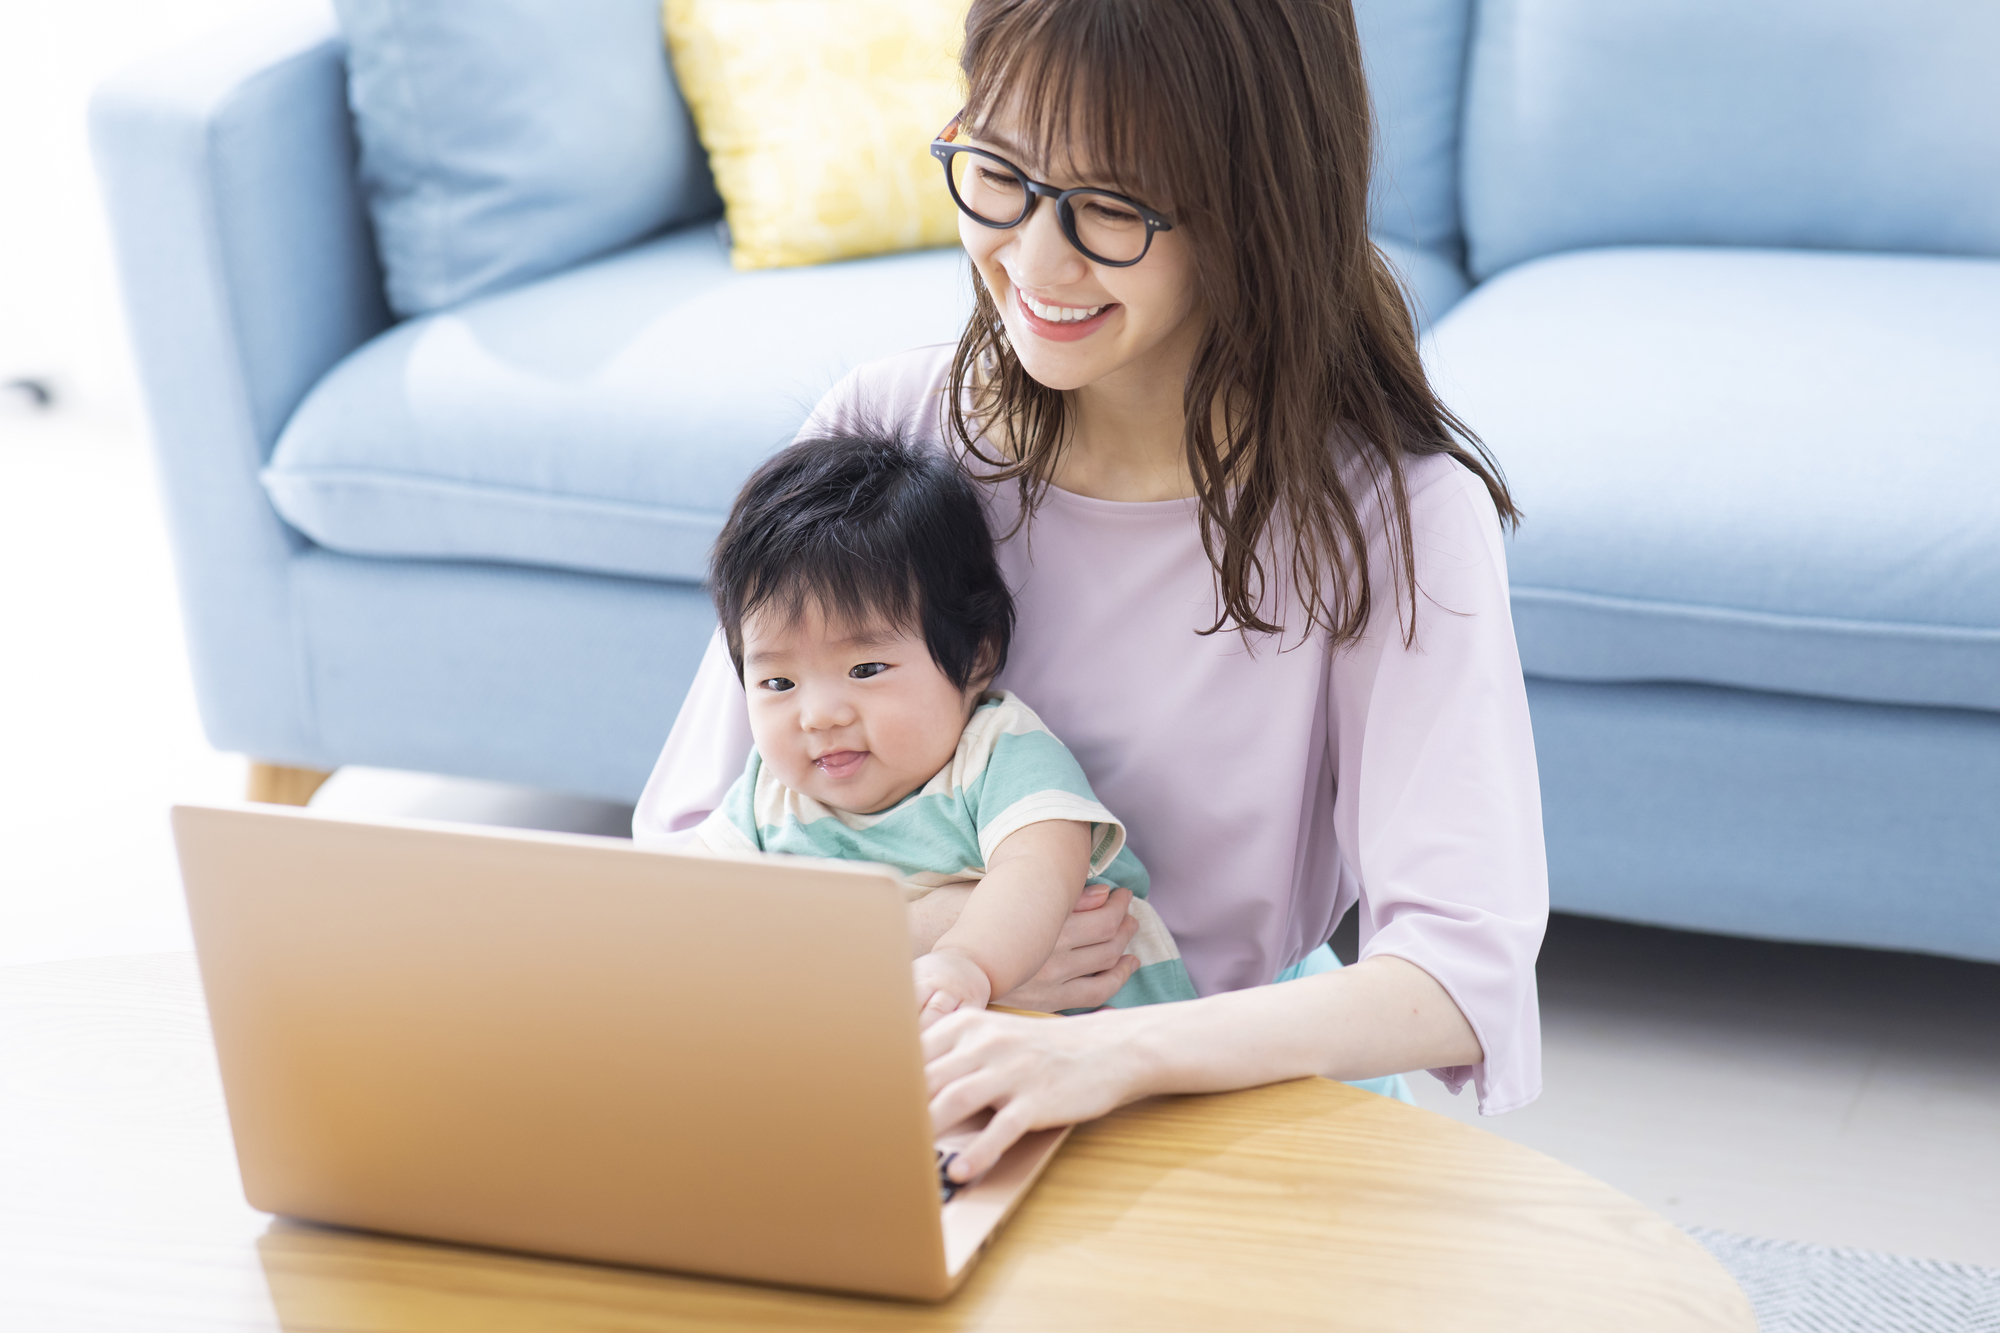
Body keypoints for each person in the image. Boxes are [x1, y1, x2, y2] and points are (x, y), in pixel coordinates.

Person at [637, 0, 1548, 1186]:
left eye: (1113, 206)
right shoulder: (887, 435)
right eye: (1000, 174)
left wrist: (1110, 1055)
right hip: (902, 1069)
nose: (1037, 258)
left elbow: (1456, 977)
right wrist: (943, 943)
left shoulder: (1391, 515)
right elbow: (677, 860)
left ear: (1256, 202)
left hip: (1211, 1098)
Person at [693, 430, 1198, 1024]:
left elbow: (1036, 872)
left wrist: (966, 961)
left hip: (1102, 1039)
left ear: (976, 655)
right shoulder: (767, 794)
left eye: (866, 668)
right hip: (909, 1047)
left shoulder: (996, 755)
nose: (820, 715)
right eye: (779, 683)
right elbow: (697, 908)